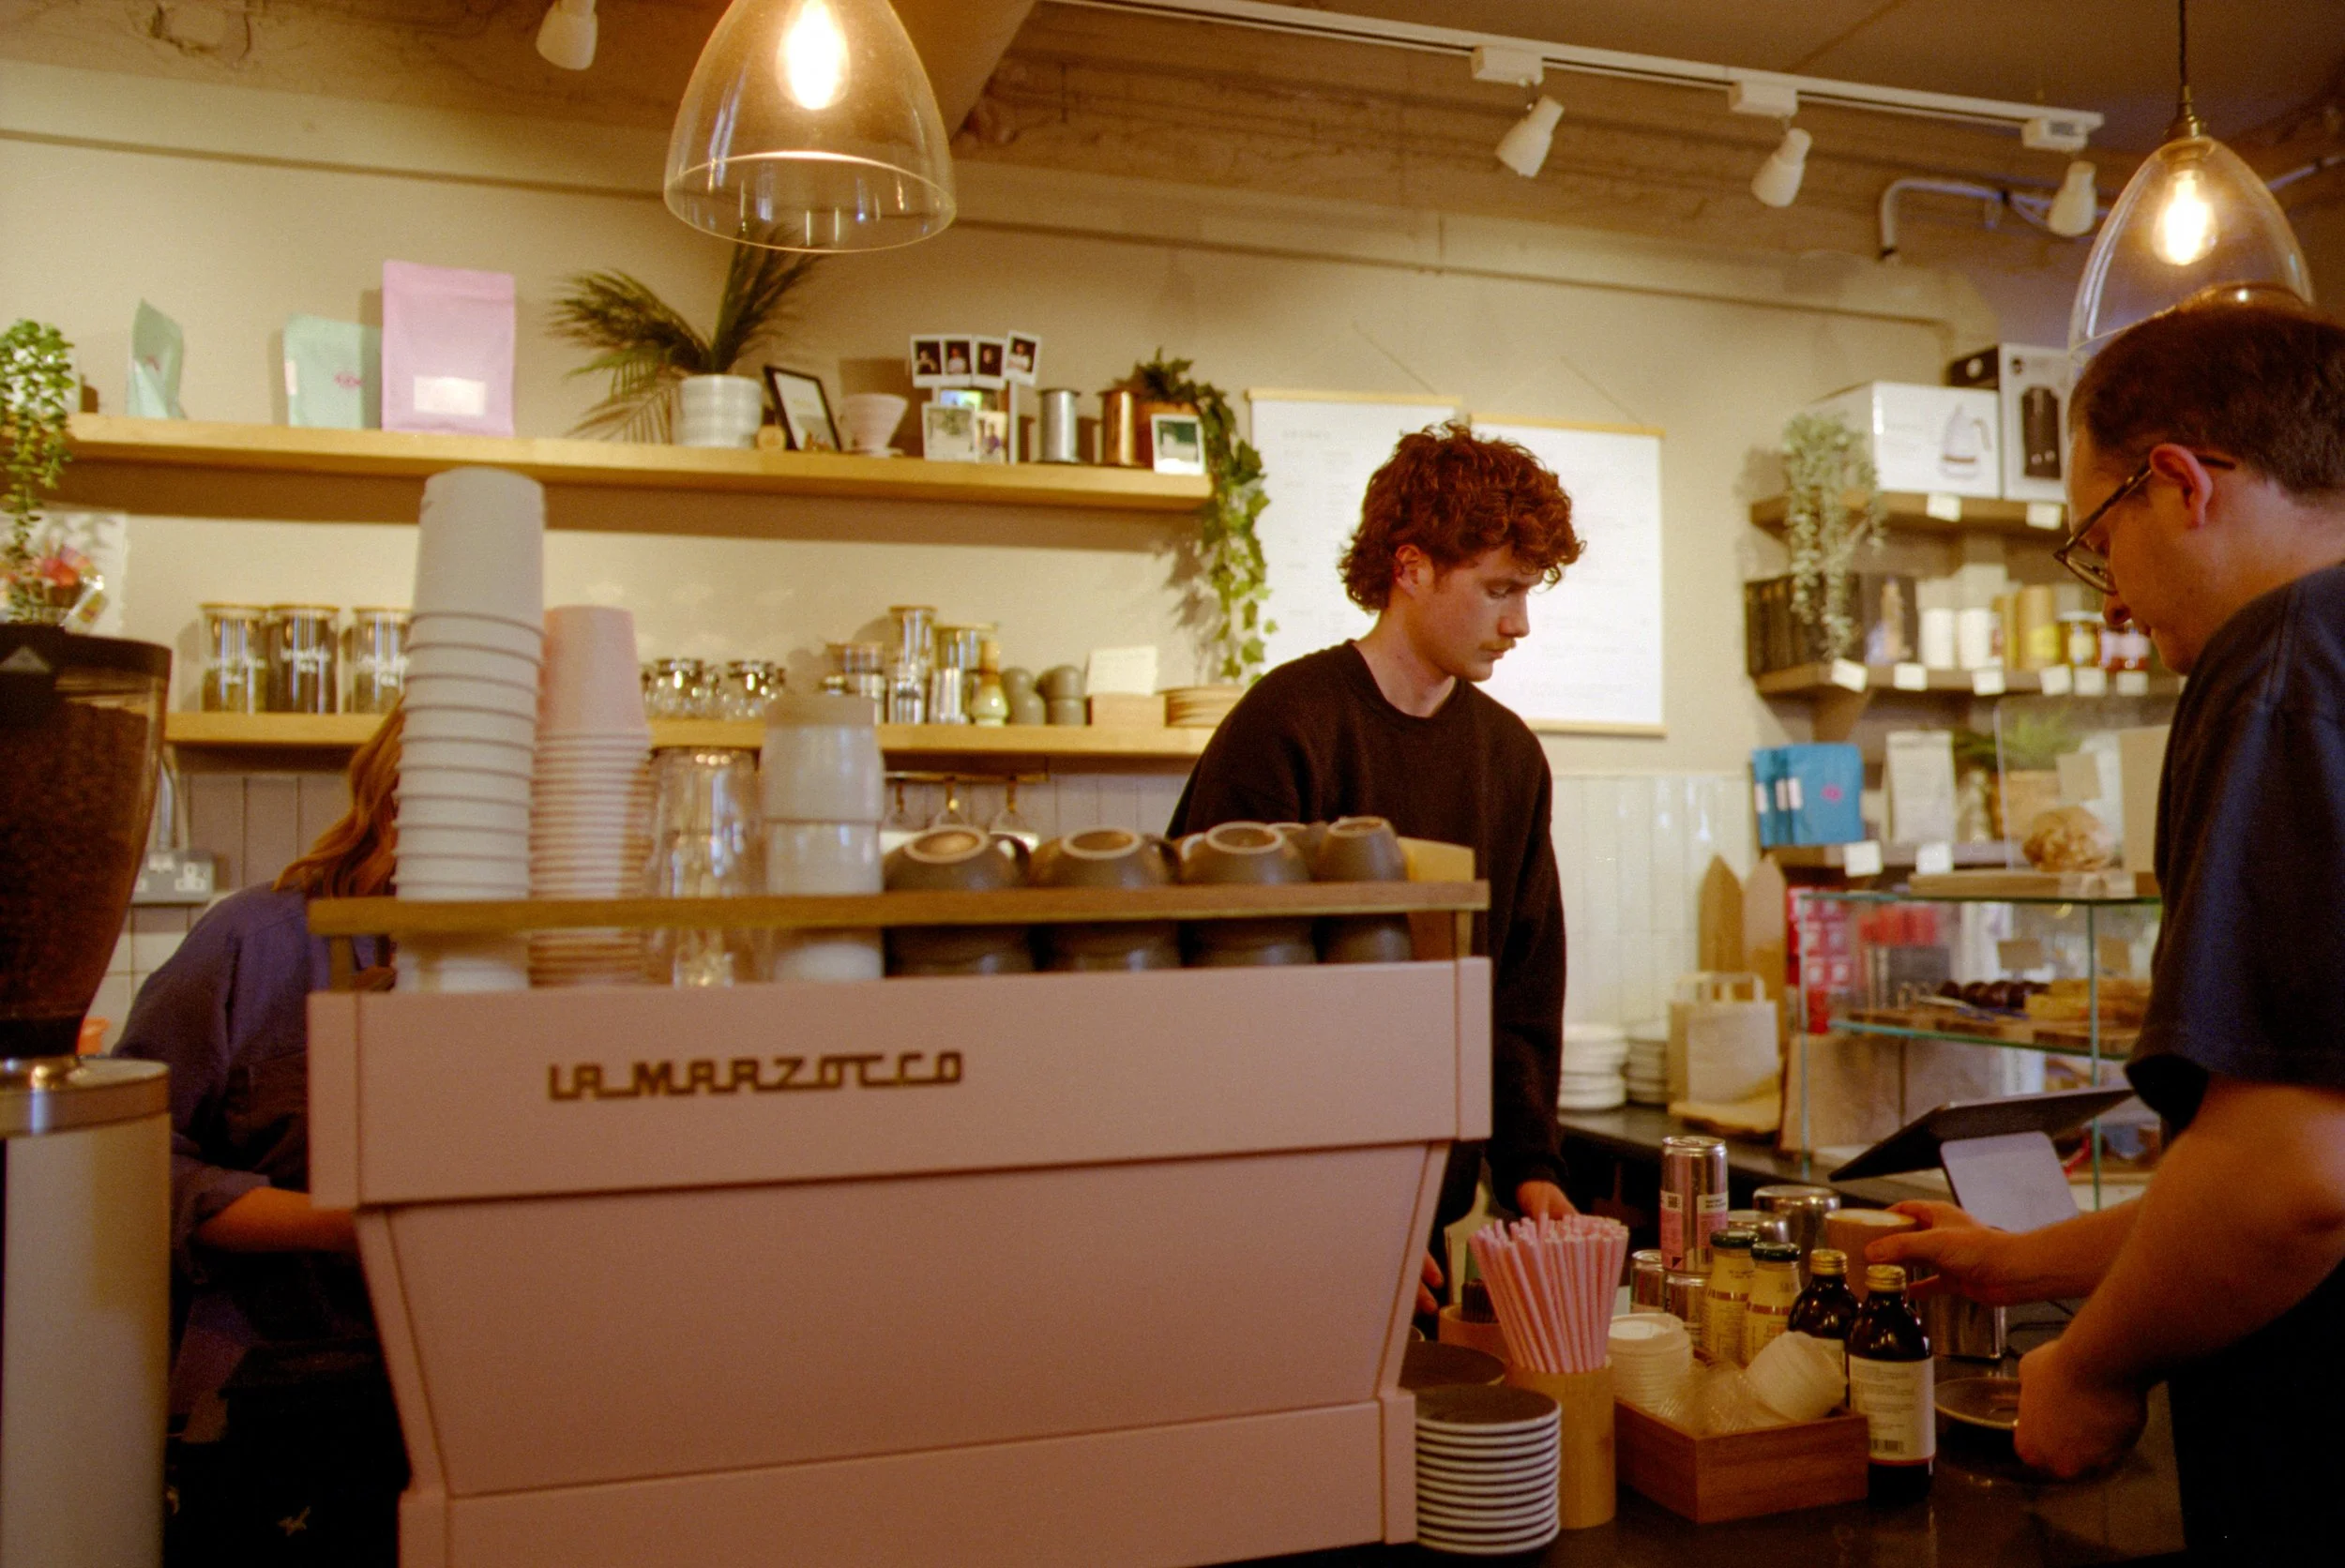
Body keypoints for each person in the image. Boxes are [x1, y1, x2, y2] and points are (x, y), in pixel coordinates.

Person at [1869, 300, 2345, 1560]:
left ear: (2179, 482)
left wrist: (2088, 1366)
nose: (2117, 605)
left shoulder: (2285, 660)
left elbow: (2295, 1175)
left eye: (2096, 540)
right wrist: (2025, 1262)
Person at [1169, 422, 1583, 1313]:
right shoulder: (1287, 726)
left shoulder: (1510, 759)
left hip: (1422, 1218)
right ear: (1411, 567)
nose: (1519, 623)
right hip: (1272, 1214)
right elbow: (1215, 993)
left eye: (1527, 592)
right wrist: (1327, 1201)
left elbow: (1516, 983)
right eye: (1499, 590)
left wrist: (1530, 1166)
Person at [119, 710, 406, 1565]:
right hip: (280, 1384)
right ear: (393, 798)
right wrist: (342, 1225)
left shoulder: (556, 961)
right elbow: (137, 1169)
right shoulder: (257, 942)